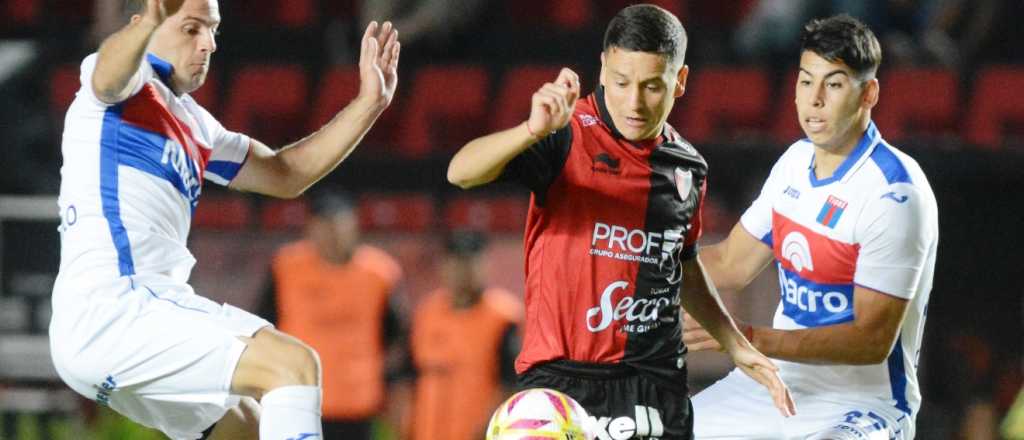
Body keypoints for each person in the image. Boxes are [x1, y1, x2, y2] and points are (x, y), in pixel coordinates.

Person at [47, 0, 400, 438]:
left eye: (212, 31)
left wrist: (369, 103)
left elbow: (285, 174)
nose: (208, 44)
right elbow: (108, 76)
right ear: (146, 24)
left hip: (128, 328)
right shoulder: (122, 81)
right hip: (115, 308)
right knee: (292, 365)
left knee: (250, 428)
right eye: (193, 29)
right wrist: (150, 22)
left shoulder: (197, 125)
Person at [447, 4, 795, 439]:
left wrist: (735, 346)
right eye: (621, 82)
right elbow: (460, 171)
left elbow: (682, 265)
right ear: (603, 68)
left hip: (653, 383)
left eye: (652, 86)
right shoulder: (566, 135)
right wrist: (529, 132)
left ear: (680, 81)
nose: (634, 102)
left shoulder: (688, 167)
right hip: (561, 384)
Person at [684, 14, 939, 440]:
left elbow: (870, 341)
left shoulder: (895, 192)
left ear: (868, 93)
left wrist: (745, 337)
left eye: (834, 84)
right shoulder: (794, 162)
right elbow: (731, 262)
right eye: (805, 82)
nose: (814, 99)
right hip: (770, 386)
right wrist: (639, 268)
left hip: (863, 405)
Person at [258, 189, 405, 440]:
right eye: (323, 226)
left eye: (339, 225)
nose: (332, 235)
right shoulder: (286, 267)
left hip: (357, 405)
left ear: (354, 226)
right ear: (310, 229)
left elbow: (396, 336)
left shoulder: (379, 273)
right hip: (298, 399)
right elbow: (262, 326)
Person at [407, 231, 522, 440]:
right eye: (457, 262)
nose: (463, 270)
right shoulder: (426, 314)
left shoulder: (504, 318)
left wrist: (487, 429)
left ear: (485, 265)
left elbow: (510, 385)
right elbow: (409, 377)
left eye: (471, 261)